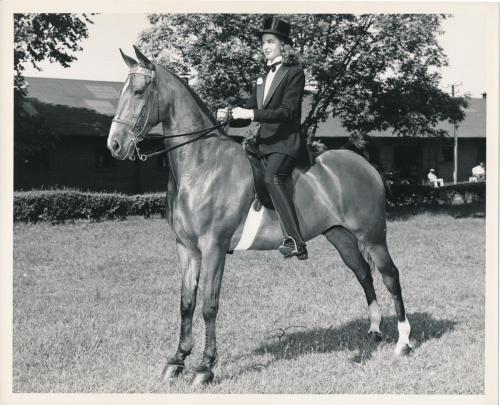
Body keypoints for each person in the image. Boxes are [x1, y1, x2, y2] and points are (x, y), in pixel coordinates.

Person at [217, 17, 309, 260]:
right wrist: (227, 115)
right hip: (261, 144)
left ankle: (295, 240)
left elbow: (287, 112)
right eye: (263, 42)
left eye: (270, 41)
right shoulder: (261, 78)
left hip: (285, 143)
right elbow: (247, 113)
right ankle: (232, 231)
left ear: (283, 46)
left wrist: (252, 113)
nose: (265, 46)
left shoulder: (295, 73)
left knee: (272, 178)